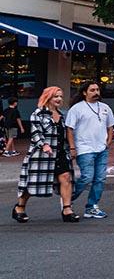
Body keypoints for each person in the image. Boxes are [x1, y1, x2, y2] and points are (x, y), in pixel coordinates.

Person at [12, 87, 78, 223]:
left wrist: (71, 149)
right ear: (48, 97)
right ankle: (20, 207)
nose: (59, 99)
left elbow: (66, 134)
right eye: (56, 96)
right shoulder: (38, 114)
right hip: (41, 155)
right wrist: (44, 145)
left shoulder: (62, 115)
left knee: (66, 178)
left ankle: (67, 210)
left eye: (60, 96)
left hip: (60, 153)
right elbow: (35, 133)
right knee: (33, 184)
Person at [67, 82, 114, 219]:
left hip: (102, 148)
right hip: (84, 148)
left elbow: (110, 126)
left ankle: (92, 207)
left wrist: (109, 141)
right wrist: (72, 147)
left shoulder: (105, 107)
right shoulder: (77, 108)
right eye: (92, 90)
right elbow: (69, 129)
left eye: (97, 89)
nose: (96, 92)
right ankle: (67, 198)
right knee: (87, 176)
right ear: (84, 92)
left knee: (100, 178)